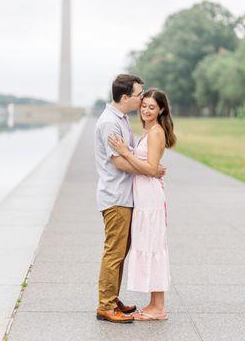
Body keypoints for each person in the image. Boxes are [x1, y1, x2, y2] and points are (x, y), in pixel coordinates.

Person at [94, 75, 166, 324]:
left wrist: (150, 167)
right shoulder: (109, 123)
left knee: (120, 251)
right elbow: (119, 161)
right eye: (139, 95)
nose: (142, 98)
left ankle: (111, 299)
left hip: (127, 196)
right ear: (125, 97)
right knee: (114, 252)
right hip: (116, 196)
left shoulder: (122, 119)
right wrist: (151, 170)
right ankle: (105, 305)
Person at [108, 88, 176, 321]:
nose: (146, 110)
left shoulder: (156, 132)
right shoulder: (148, 131)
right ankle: (154, 303)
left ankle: (159, 308)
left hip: (151, 199)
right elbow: (151, 168)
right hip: (144, 198)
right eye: (144, 105)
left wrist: (125, 152)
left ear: (161, 110)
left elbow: (150, 170)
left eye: (152, 107)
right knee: (149, 245)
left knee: (153, 247)